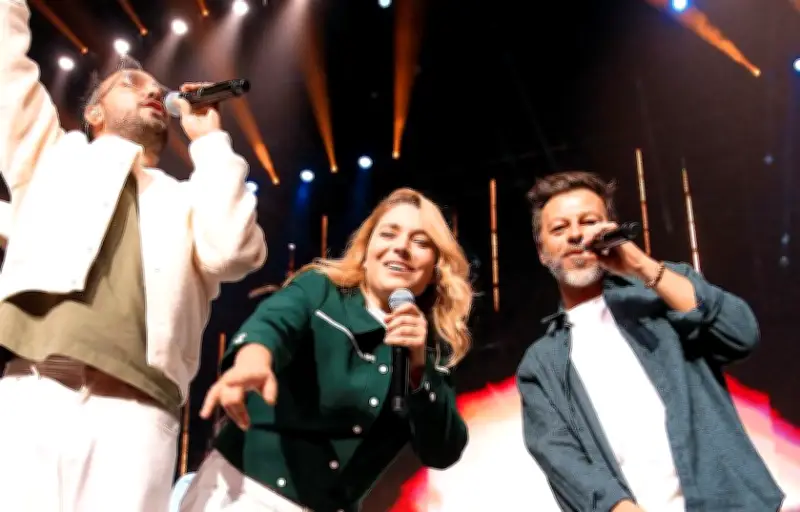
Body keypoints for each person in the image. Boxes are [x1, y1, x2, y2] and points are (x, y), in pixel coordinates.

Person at [0, 1, 267, 510]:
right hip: (32, 390)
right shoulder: (52, 157)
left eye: (157, 89)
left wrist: (211, 142)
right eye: (131, 83)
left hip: (139, 414)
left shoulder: (188, 199)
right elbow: (5, 74)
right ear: (94, 113)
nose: (152, 91)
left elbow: (234, 251)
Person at [180, 187, 472, 512]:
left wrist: (418, 370)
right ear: (366, 251)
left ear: (435, 268)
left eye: (420, 242)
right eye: (388, 234)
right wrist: (253, 361)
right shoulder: (321, 290)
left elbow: (443, 450)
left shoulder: (429, 351)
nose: (401, 247)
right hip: (244, 491)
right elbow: (274, 322)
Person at [516, 171, 784, 512]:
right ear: (542, 251)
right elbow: (562, 459)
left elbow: (740, 335)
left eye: (589, 222)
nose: (576, 235)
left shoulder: (663, 290)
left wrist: (640, 266)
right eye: (559, 228)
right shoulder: (541, 364)